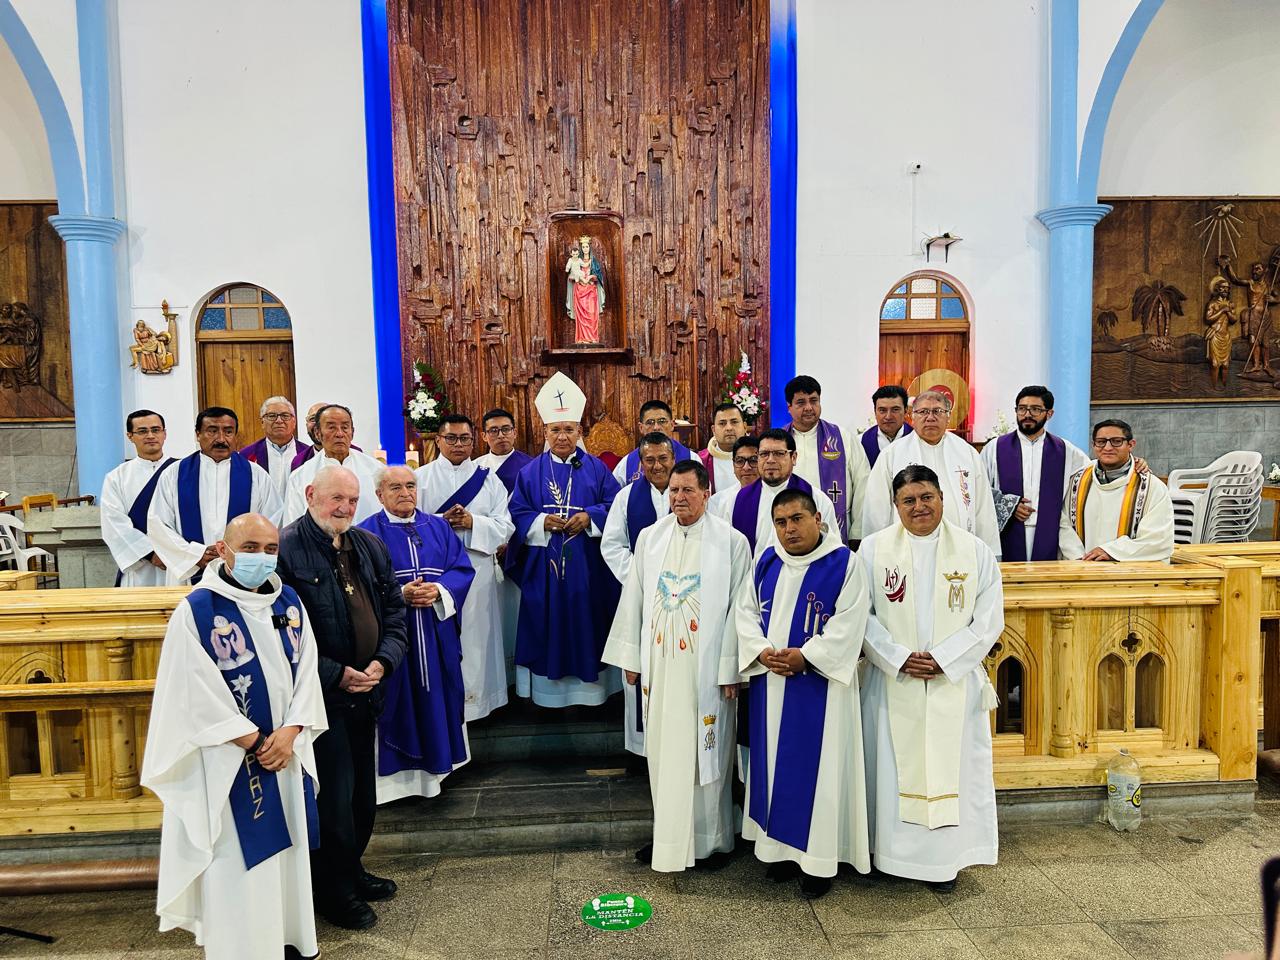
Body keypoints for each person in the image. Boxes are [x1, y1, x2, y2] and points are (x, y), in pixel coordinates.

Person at [141, 512, 327, 960]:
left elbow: (308, 673)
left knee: (286, 855)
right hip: (229, 761)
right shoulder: (198, 610)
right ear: (223, 550)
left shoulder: (290, 603)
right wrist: (256, 742)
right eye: (249, 548)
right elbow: (192, 690)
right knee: (236, 859)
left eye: (270, 550)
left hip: (285, 752)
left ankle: (287, 938)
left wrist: (292, 730)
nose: (261, 558)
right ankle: (241, 948)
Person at [603, 460, 751, 872]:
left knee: (708, 757)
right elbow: (633, 597)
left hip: (707, 673)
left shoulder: (732, 542)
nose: (679, 498)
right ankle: (668, 839)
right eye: (673, 491)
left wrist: (731, 670)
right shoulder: (650, 538)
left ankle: (711, 842)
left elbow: (741, 610)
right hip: (661, 669)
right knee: (665, 757)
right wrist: (631, 657)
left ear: (706, 493)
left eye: (688, 490)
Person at [859, 465, 1003, 888]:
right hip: (893, 681)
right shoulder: (872, 549)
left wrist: (943, 658)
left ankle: (944, 861)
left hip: (951, 683)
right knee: (891, 769)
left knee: (951, 769)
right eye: (908, 500)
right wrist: (899, 657)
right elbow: (859, 615)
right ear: (895, 505)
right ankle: (890, 857)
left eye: (926, 497)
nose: (918, 506)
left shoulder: (974, 551)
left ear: (942, 498)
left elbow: (989, 619)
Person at [277, 465, 408, 931]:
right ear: (311, 494)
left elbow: (394, 611)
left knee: (361, 798)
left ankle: (351, 869)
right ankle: (333, 892)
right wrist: (336, 673)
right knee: (332, 798)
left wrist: (383, 662)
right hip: (321, 697)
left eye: (352, 501)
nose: (345, 509)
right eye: (336, 499)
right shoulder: (287, 548)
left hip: (367, 691)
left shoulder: (368, 545)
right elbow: (282, 632)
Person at [734, 489, 871, 898]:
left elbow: (850, 623)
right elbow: (744, 613)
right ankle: (777, 853)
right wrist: (760, 650)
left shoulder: (845, 564)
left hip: (820, 689)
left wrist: (807, 658)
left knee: (819, 774)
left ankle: (817, 863)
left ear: (818, 520)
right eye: (781, 522)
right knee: (772, 768)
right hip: (770, 682)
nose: (789, 529)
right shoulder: (766, 560)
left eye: (797, 519)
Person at [506, 371, 622, 707]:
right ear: (545, 432)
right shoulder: (530, 472)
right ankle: (548, 697)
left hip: (588, 568)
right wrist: (541, 522)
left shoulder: (598, 469)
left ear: (579, 431)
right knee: (548, 622)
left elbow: (615, 506)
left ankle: (593, 694)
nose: (562, 436)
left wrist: (590, 517)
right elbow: (515, 513)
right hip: (545, 570)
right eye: (555, 429)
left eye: (568, 429)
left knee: (589, 621)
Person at [358, 465, 475, 800]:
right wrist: (400, 594)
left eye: (410, 485)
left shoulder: (437, 526)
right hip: (393, 638)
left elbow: (462, 569)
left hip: (436, 634)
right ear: (379, 494)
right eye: (395, 487)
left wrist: (439, 590)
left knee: (440, 691)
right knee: (397, 698)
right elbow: (357, 586)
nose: (405, 493)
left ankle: (439, 769)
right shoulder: (364, 535)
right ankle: (396, 784)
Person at [415, 414, 514, 720]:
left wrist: (473, 522)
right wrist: (441, 524)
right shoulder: (421, 478)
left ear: (474, 440)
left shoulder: (489, 479)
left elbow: (506, 525)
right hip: (437, 571)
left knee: (478, 636)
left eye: (465, 439)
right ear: (438, 440)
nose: (459, 445)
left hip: (478, 568)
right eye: (451, 438)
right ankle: (445, 704)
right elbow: (410, 520)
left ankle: (480, 704)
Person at [601, 432, 677, 755]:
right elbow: (611, 544)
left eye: (663, 458)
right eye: (650, 460)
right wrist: (639, 577)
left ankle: (676, 740)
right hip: (642, 598)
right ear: (641, 463)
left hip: (681, 597)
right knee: (641, 665)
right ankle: (644, 749)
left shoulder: (687, 491)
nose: (657, 466)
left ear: (674, 459)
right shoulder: (627, 497)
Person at [148, 407, 282, 585]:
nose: (221, 439)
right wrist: (195, 555)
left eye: (228, 432)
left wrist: (241, 555)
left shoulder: (256, 475)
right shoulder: (174, 474)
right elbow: (158, 524)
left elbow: (272, 521)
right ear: (198, 434)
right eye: (212, 431)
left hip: (242, 570)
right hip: (189, 574)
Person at [861, 390, 1000, 554]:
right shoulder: (892, 454)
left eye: (937, 411)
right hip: (905, 550)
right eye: (923, 412)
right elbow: (876, 509)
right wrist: (876, 553)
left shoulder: (967, 453)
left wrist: (991, 552)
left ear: (948, 416)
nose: (930, 417)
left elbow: (983, 507)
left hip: (960, 549)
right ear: (912, 417)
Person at [979, 386, 1087, 562]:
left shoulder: (1066, 450)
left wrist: (1134, 463)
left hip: (1051, 532)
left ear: (1049, 413)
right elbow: (979, 488)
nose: (1027, 414)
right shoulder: (995, 448)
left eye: (1035, 409)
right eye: (1022, 408)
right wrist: (1009, 505)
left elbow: (1093, 476)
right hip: (1006, 531)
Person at [1058, 419, 1175, 562]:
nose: (1107, 447)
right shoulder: (1077, 481)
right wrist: (1078, 557)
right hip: (1082, 569)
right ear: (1094, 445)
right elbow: (1063, 523)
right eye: (1101, 441)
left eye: (1116, 441)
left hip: (1130, 576)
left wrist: (1111, 552)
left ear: (1131, 445)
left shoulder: (1151, 487)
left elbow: (1158, 538)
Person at [712, 429, 837, 556]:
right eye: (764, 454)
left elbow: (831, 549)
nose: (770, 460)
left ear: (793, 457)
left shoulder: (816, 499)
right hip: (753, 575)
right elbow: (727, 552)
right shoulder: (734, 501)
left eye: (778, 453)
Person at [784, 375, 870, 543]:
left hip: (835, 529)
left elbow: (863, 484)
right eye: (801, 402)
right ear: (789, 407)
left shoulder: (842, 438)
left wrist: (857, 532)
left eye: (814, 401)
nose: (809, 407)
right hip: (791, 529)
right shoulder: (779, 443)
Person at [100, 409, 176, 586]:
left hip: (179, 563)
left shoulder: (183, 470)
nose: (150, 435)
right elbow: (114, 524)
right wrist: (150, 554)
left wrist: (178, 554)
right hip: (141, 566)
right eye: (142, 431)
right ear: (130, 436)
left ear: (164, 433)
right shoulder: (117, 477)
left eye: (156, 430)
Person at [284, 404, 383, 525]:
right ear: (317, 433)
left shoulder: (376, 470)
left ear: (352, 432)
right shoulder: (300, 476)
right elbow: (292, 525)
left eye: (345, 427)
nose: (339, 434)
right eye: (332, 428)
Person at [613, 400, 693, 485]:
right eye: (650, 422)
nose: (656, 427)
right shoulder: (626, 464)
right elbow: (617, 496)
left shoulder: (692, 459)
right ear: (641, 428)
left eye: (662, 421)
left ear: (672, 425)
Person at [240, 397, 300, 496]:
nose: (279, 421)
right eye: (272, 416)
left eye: (285, 416)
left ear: (294, 422)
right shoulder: (246, 456)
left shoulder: (308, 454)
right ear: (262, 422)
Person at [474, 407, 533, 495]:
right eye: (494, 431)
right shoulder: (475, 467)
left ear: (515, 433)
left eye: (506, 429)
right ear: (484, 436)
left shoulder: (531, 465)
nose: (501, 435)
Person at [698, 402, 747, 494]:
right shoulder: (700, 460)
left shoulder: (759, 457)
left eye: (734, 422)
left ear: (745, 427)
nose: (729, 428)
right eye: (722, 423)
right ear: (713, 430)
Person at [707, 434, 761, 515]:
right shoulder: (718, 501)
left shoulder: (775, 497)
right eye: (740, 461)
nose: (746, 467)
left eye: (753, 460)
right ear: (733, 464)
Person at [861, 385, 913, 469]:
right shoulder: (860, 442)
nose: (888, 416)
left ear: (906, 411)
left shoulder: (918, 439)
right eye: (882, 410)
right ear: (875, 412)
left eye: (895, 409)